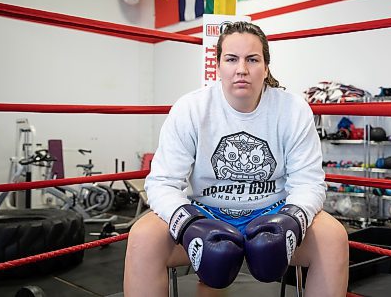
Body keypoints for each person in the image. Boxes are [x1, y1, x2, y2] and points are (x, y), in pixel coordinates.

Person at [124, 21, 349, 296]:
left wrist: (292, 219)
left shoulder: (292, 109)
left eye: (252, 59)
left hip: (273, 211)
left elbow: (309, 183)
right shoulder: (191, 109)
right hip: (204, 212)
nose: (241, 69)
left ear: (266, 67)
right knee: (143, 237)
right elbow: (162, 182)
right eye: (231, 59)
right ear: (218, 66)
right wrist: (189, 223)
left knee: (333, 238)